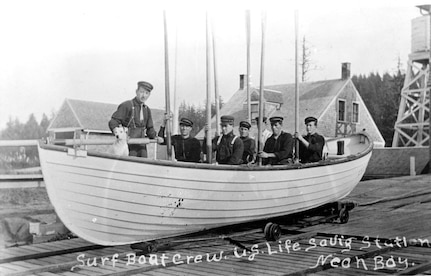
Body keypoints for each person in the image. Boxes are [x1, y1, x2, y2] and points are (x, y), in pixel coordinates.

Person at [108, 81, 163, 157]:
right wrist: (120, 135)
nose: (144, 96)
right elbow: (113, 122)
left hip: (141, 146)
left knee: (142, 165)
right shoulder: (127, 105)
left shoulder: (146, 110)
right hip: (128, 145)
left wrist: (156, 137)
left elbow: (150, 129)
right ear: (136, 92)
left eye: (147, 93)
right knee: (128, 165)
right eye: (142, 92)